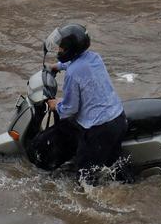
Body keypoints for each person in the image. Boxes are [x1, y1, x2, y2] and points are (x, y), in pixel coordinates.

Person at [45, 24, 128, 184]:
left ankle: (90, 203)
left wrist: (56, 105)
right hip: (118, 119)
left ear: (70, 50)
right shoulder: (94, 57)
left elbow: (70, 109)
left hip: (98, 129)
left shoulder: (73, 74)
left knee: (84, 177)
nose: (59, 51)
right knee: (115, 165)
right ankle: (128, 188)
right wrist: (59, 66)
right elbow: (78, 64)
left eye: (61, 48)